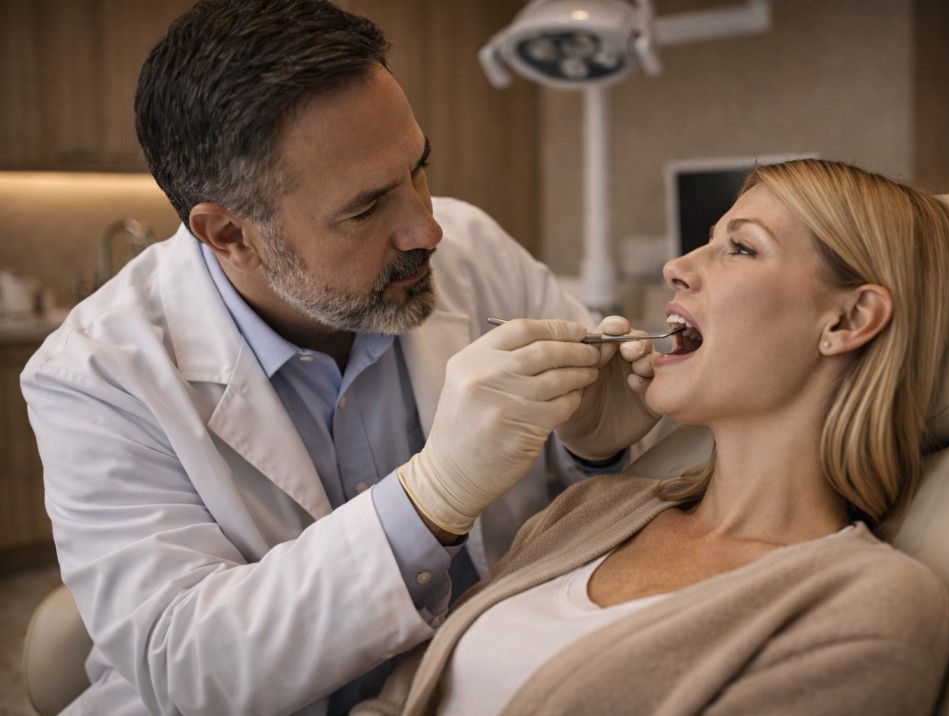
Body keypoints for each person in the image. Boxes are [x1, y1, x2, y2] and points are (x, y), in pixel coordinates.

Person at [19, 1, 661, 713]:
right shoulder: (97, 374)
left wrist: (592, 448)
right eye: (365, 209)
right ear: (230, 234)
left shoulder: (477, 250)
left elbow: (583, 513)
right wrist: (429, 502)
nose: (427, 227)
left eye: (419, 169)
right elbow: (189, 668)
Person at [353, 158, 949, 716]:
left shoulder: (865, 608)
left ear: (848, 319)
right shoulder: (589, 510)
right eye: (706, 242)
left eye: (741, 249)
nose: (676, 268)